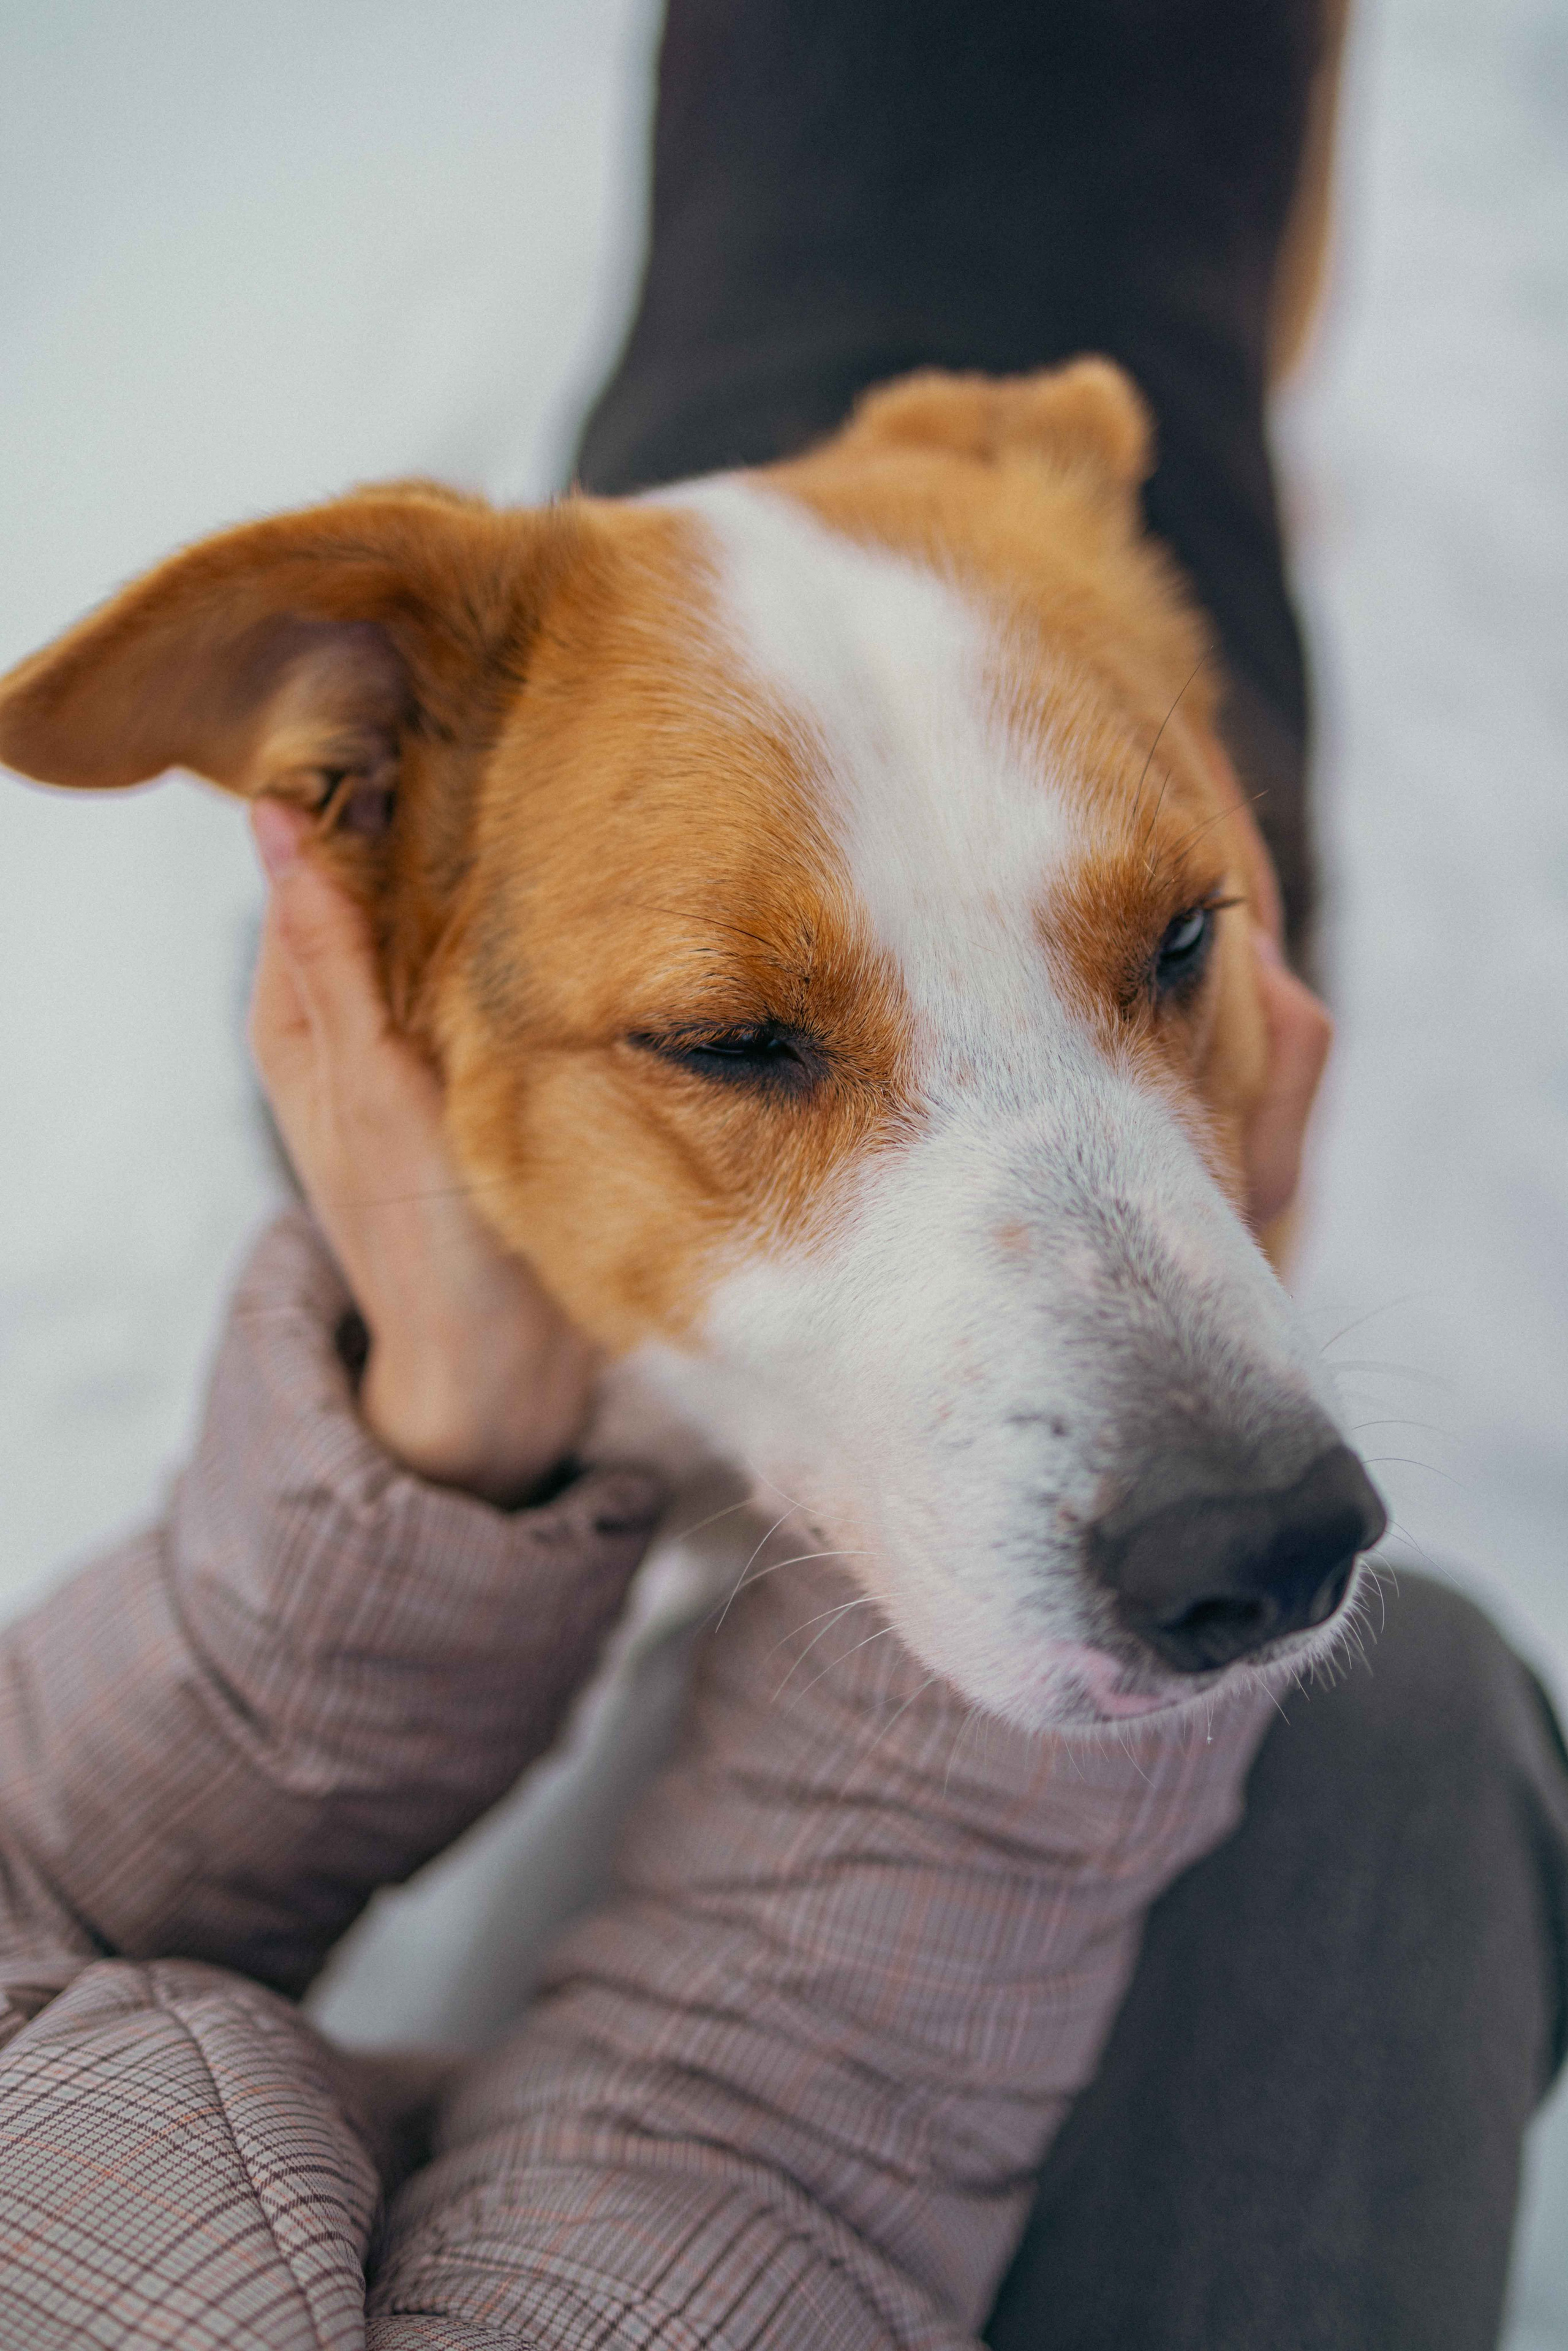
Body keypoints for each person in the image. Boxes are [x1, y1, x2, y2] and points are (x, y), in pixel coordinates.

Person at [0, 7, 1562, 2349]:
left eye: (1160, 944)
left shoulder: (1028, 531)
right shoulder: (505, 776)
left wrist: (435, 1437)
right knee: (1400, 1726)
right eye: (748, 1042)